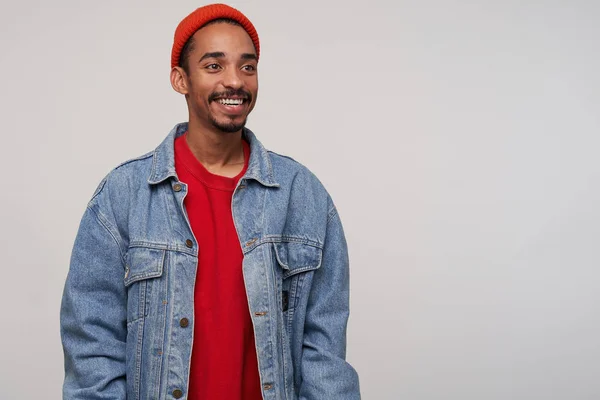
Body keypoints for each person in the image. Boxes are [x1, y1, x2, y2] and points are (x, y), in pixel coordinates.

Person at [60, 3, 360, 399]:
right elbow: (92, 345)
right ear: (180, 79)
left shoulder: (303, 196)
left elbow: (324, 353)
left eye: (247, 66)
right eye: (214, 66)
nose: (234, 81)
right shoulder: (122, 195)